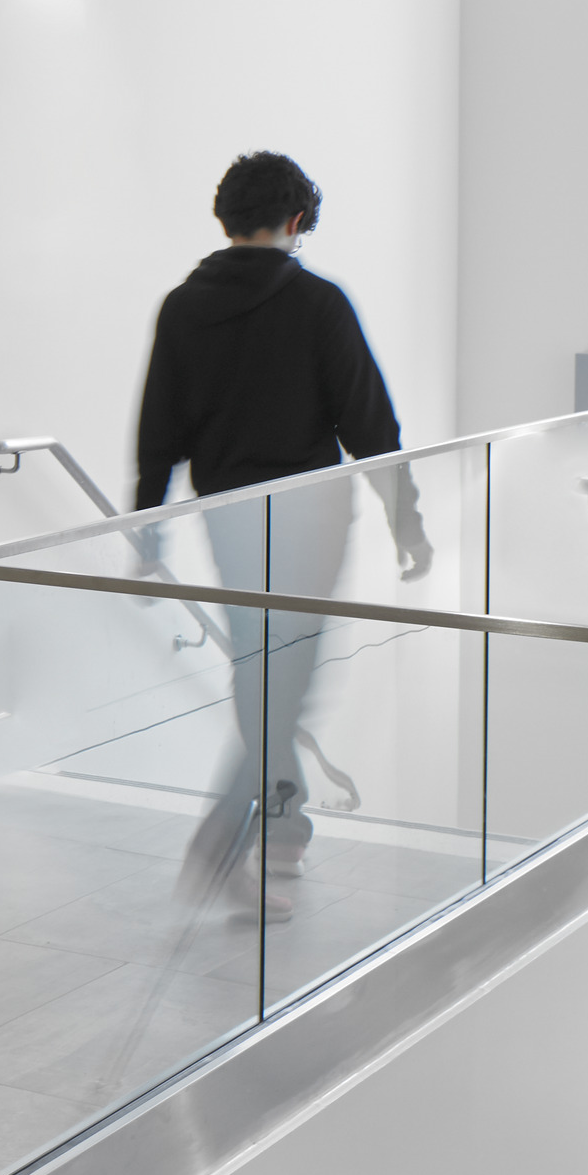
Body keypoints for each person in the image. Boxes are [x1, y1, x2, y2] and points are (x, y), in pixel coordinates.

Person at [130, 153, 431, 911]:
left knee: (262, 676)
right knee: (286, 684)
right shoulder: (318, 303)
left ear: (227, 218)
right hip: (311, 522)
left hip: (226, 521)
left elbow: (158, 430)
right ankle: (224, 844)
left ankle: (285, 829)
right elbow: (372, 424)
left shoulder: (181, 307)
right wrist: (408, 521)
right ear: (297, 223)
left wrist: (148, 533)